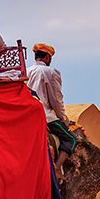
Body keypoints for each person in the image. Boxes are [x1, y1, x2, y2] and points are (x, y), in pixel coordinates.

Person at [28, 42, 74, 176]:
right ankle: (57, 168)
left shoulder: (26, 72)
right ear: (47, 57)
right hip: (46, 116)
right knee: (71, 139)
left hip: (28, 115)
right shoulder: (51, 72)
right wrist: (62, 117)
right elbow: (56, 99)